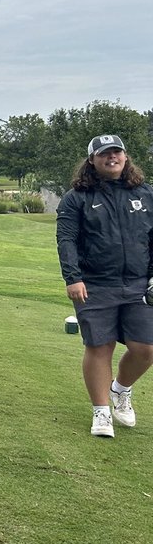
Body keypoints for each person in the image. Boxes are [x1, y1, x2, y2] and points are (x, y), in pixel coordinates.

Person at [55, 134, 153, 439]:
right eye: (104, 154)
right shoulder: (77, 197)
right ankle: (101, 412)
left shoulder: (145, 193)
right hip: (94, 284)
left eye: (116, 152)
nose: (112, 157)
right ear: (92, 160)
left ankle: (120, 389)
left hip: (139, 283)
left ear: (125, 156)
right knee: (99, 346)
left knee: (146, 348)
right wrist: (73, 277)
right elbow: (67, 239)